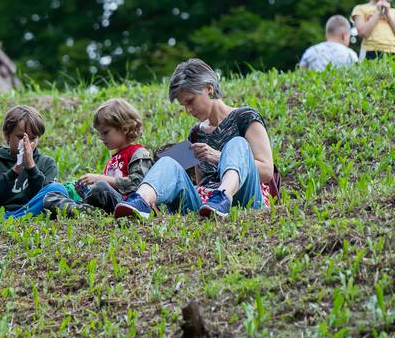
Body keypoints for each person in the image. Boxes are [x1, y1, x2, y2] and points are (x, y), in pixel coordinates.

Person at [115, 59, 278, 220]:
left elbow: (266, 172)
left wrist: (218, 157)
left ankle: (223, 196)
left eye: (190, 101)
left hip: (245, 200)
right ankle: (141, 200)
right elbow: (203, 183)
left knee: (236, 144)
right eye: (183, 105)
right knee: (168, 163)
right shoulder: (196, 133)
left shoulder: (245, 117)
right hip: (206, 207)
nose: (188, 110)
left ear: (209, 89)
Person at [46, 98, 153, 215]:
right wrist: (85, 190)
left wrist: (100, 179)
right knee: (51, 196)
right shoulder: (113, 159)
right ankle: (86, 210)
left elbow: (137, 183)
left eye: (105, 132)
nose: (101, 138)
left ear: (125, 129)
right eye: (99, 133)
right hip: (105, 200)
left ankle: (84, 210)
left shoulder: (138, 153)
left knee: (101, 186)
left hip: (125, 203)